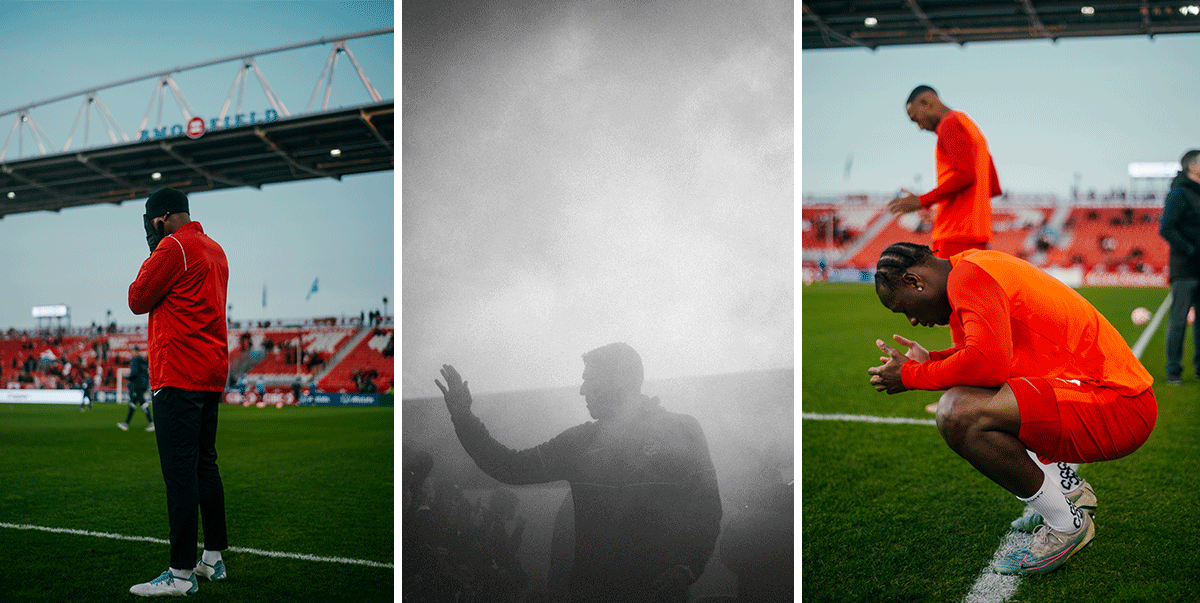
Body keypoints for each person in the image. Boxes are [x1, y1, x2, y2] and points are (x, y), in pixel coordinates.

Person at [867, 242, 1157, 576]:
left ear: (915, 282)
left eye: (905, 309)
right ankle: (1069, 492)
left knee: (956, 412)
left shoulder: (968, 277)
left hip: (1118, 405)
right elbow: (984, 360)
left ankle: (1066, 526)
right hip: (1103, 395)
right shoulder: (970, 268)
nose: (913, 320)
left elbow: (986, 365)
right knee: (971, 396)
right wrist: (931, 360)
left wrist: (909, 374)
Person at [436, 342, 722, 603]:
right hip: (594, 595)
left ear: (619, 380)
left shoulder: (683, 431)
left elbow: (707, 509)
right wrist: (463, 418)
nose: (582, 390)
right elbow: (511, 467)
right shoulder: (579, 443)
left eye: (589, 380)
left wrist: (688, 568)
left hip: (660, 596)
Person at [127, 187, 230, 597]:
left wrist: (156, 250)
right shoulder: (215, 248)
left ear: (163, 218)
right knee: (206, 465)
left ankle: (181, 574)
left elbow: (137, 298)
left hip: (178, 372)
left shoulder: (173, 246)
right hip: (209, 370)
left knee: (180, 473)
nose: (151, 233)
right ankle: (213, 559)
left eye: (152, 225)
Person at [887, 85, 1002, 259]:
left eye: (916, 119)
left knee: (946, 286)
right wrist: (944, 209)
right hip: (976, 232)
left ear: (926, 102)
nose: (919, 127)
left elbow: (966, 175)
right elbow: (992, 186)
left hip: (954, 234)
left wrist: (921, 201)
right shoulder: (970, 127)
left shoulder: (949, 125)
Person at [1158, 149, 1200, 386]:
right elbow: (1166, 228)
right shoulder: (1179, 193)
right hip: (1185, 269)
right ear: (1191, 166)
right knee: (1179, 320)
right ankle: (1173, 370)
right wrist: (1190, 249)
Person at [118, 346, 155, 431]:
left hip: (137, 384)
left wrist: (127, 378)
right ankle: (126, 423)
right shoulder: (144, 361)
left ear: (136, 351)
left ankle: (151, 422)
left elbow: (134, 373)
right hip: (143, 384)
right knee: (133, 402)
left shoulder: (135, 360)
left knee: (141, 401)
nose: (132, 352)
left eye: (133, 351)